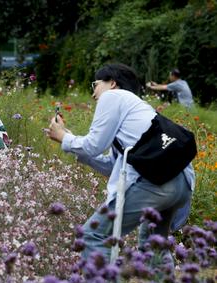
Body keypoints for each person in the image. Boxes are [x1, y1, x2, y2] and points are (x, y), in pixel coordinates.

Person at [46, 63, 195, 270]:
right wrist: (70, 141)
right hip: (180, 180)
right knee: (153, 245)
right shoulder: (137, 109)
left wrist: (64, 138)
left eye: (95, 85)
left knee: (93, 235)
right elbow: (111, 164)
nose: (93, 94)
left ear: (112, 84)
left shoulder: (112, 96)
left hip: (156, 183)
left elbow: (94, 145)